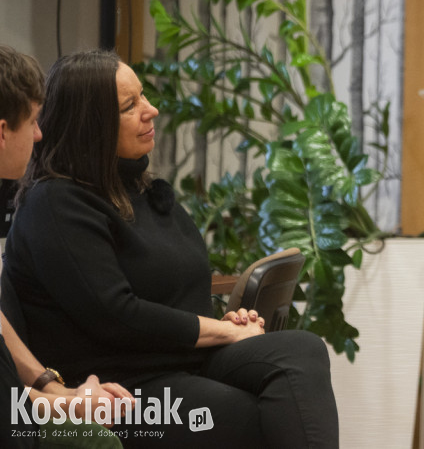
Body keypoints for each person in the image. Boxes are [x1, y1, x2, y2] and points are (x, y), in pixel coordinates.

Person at [2, 49, 338, 448]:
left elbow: (179, 291)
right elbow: (118, 314)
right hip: (122, 384)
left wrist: (226, 322)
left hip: (181, 362)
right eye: (131, 105)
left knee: (302, 351)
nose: (152, 110)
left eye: (143, 96)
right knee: (252, 413)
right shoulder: (57, 202)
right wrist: (222, 332)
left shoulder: (142, 191)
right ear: (92, 125)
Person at [1, 45, 130, 448]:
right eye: (34, 122)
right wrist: (63, 405)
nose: (40, 134)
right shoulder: (50, 203)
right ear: (3, 132)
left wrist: (56, 391)